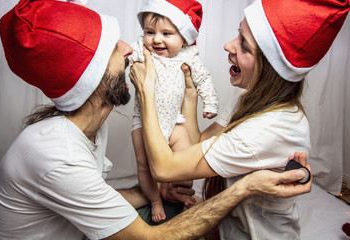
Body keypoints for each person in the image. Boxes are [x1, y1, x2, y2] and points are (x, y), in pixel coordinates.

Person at [0, 0, 312, 239]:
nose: (130, 49)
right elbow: (153, 237)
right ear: (92, 79)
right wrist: (244, 188)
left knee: (177, 206)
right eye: (113, 49)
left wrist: (153, 194)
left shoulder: (86, 128)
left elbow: (94, 195)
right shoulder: (57, 154)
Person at [129, 0, 350, 239]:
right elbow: (196, 147)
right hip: (222, 225)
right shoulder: (248, 98)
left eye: (244, 46)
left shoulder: (267, 129)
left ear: (270, 68)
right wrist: (191, 93)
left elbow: (165, 167)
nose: (228, 46)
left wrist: (146, 90)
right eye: (238, 34)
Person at [129, 0, 219, 223]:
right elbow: (126, 60)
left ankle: (171, 189)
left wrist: (210, 103)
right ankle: (154, 200)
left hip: (175, 123)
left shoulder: (187, 56)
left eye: (166, 33)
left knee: (186, 161)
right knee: (144, 163)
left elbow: (203, 78)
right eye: (150, 31)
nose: (156, 39)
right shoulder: (142, 50)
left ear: (184, 38)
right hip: (143, 121)